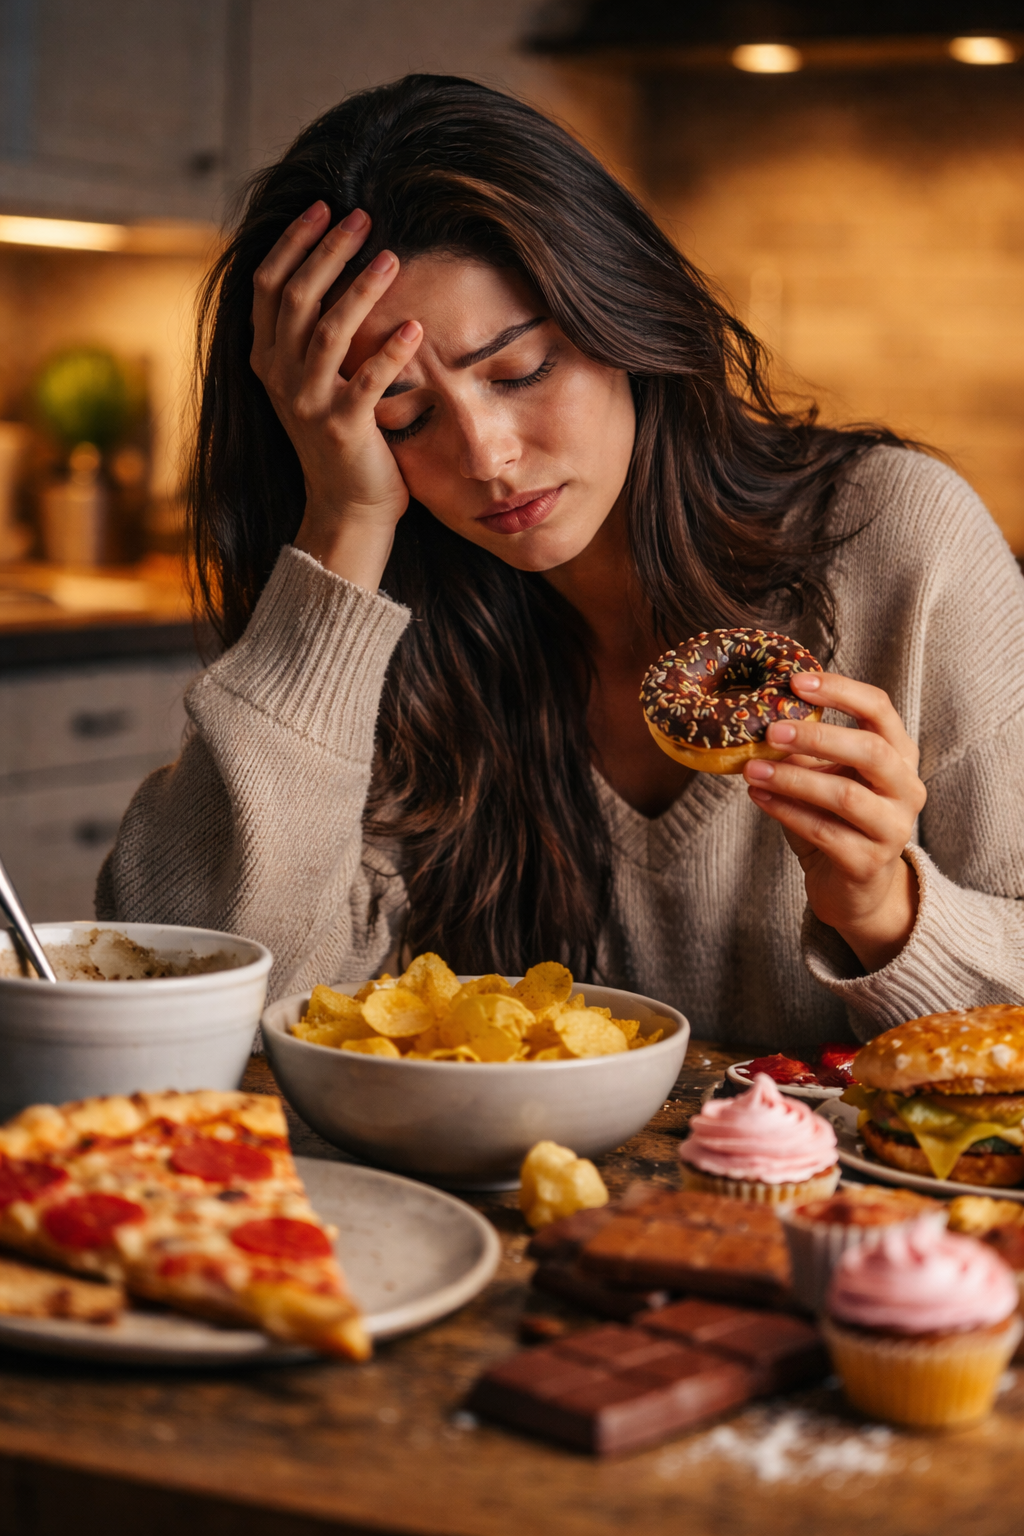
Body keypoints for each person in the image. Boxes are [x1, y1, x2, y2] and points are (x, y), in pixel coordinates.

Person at [98, 75, 1024, 1052]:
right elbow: (214, 993)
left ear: (619, 316)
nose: (488, 456)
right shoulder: (380, 606)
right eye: (399, 415)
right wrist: (343, 527)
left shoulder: (893, 542)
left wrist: (884, 910)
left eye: (520, 371)